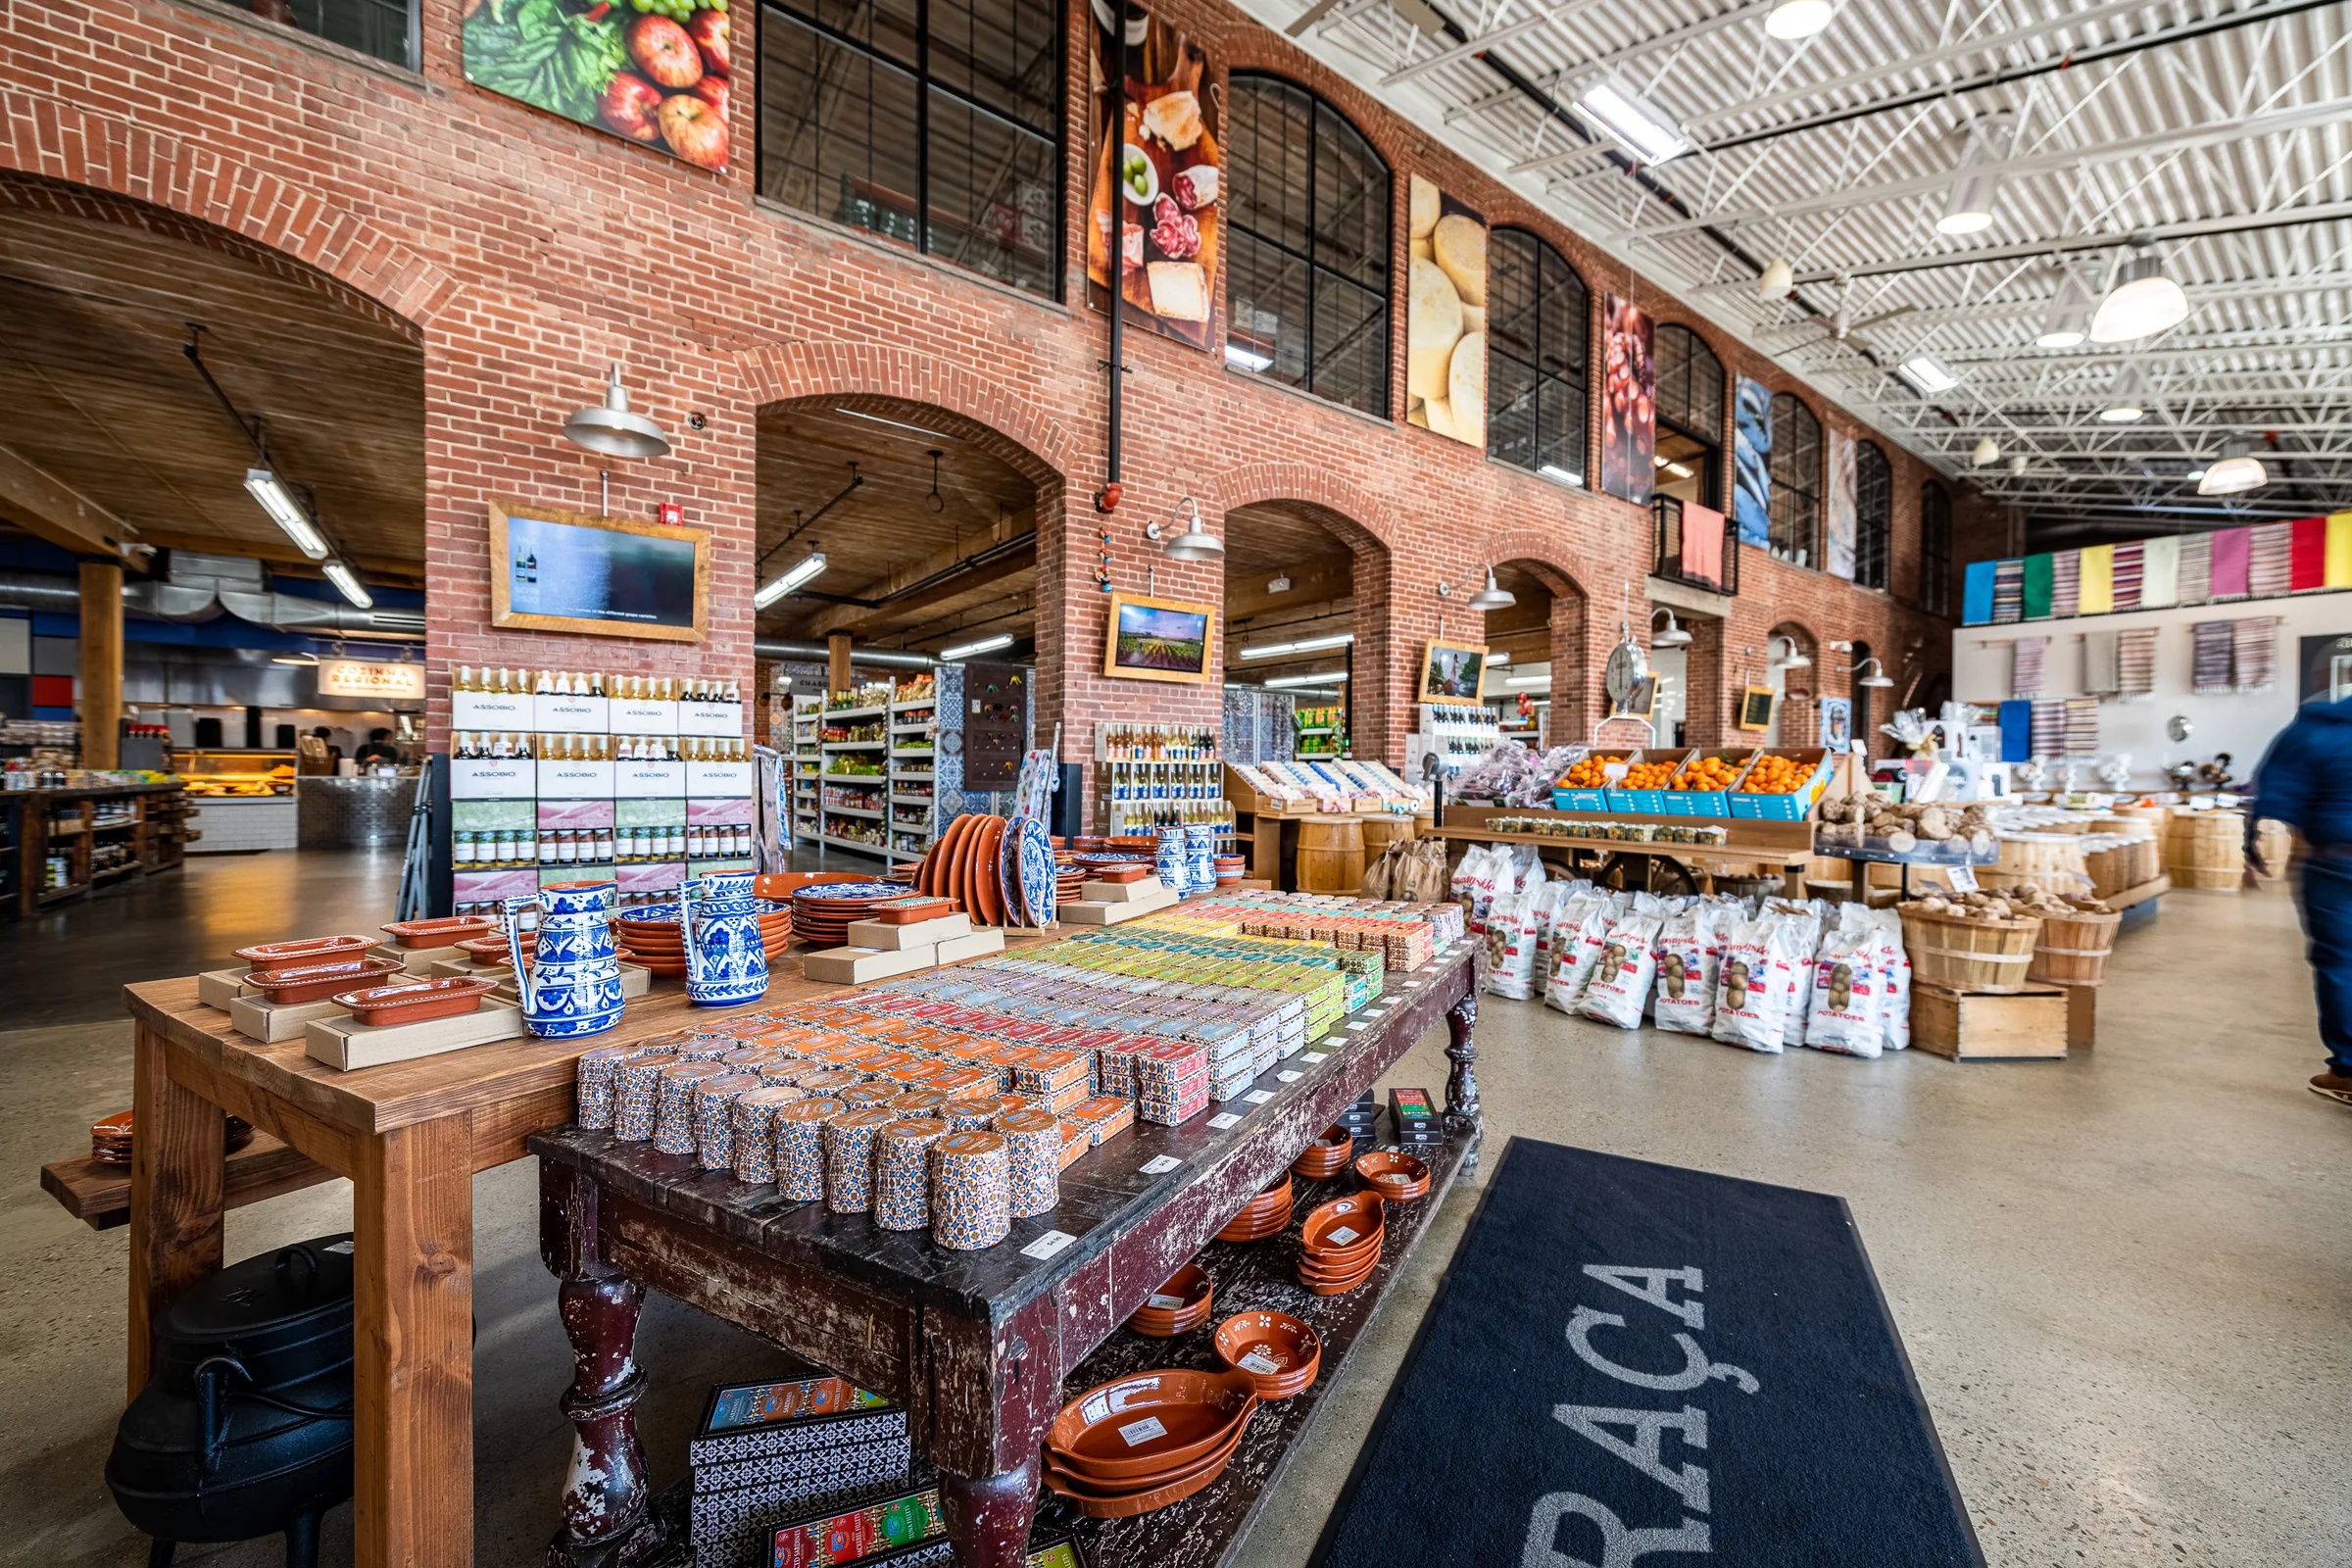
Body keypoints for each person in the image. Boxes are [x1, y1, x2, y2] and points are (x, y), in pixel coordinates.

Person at [2247, 697, 2352, 1105]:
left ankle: (2347, 1071)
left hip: (2337, 861)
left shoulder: (2317, 727)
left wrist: (2253, 847)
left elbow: (2276, 798)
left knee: (2341, 963)